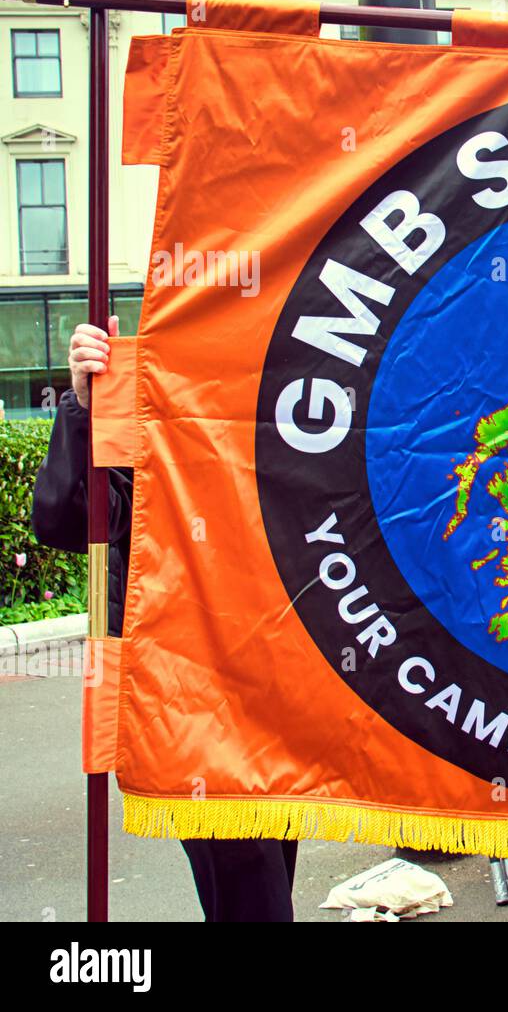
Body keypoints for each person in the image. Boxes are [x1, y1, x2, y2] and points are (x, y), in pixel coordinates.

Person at [31, 317, 299, 922]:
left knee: (269, 877)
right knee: (252, 893)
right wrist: (82, 404)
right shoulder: (148, 411)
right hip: (185, 699)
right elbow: (66, 518)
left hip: (270, 692)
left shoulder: (268, 415)